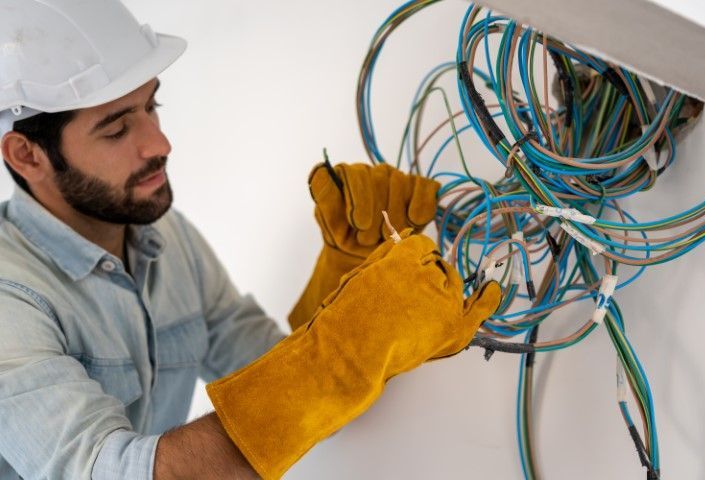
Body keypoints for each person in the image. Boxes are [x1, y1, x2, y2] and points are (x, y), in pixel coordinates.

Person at [0, 1, 501, 479]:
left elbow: (270, 378)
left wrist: (347, 276)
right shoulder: (10, 297)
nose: (159, 143)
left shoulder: (163, 238)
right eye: (116, 129)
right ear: (26, 155)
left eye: (152, 106)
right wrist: (338, 358)